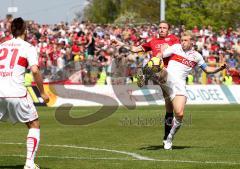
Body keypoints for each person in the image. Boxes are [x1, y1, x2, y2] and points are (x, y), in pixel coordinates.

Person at [157, 31, 226, 150]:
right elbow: (160, 56)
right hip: (167, 80)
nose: (182, 42)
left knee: (179, 114)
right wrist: (159, 61)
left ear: (192, 42)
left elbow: (207, 70)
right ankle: (147, 75)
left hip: (179, 85)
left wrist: (219, 68)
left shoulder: (197, 56)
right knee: (159, 72)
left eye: (185, 40)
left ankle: (169, 137)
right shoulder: (175, 47)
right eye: (182, 40)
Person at [115, 21, 180, 144]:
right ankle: (146, 75)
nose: (161, 29)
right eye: (160, 28)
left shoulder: (174, 39)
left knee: (169, 108)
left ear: (168, 30)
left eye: (164, 28)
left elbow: (180, 50)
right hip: (161, 72)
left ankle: (166, 137)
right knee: (156, 66)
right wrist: (121, 43)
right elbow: (135, 49)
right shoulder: (152, 41)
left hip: (172, 73)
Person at [0, 17, 49, 169]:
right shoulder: (28, 47)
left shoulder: (2, 46)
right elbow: (35, 70)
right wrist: (42, 92)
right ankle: (29, 163)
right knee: (34, 124)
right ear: (25, 30)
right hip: (17, 93)